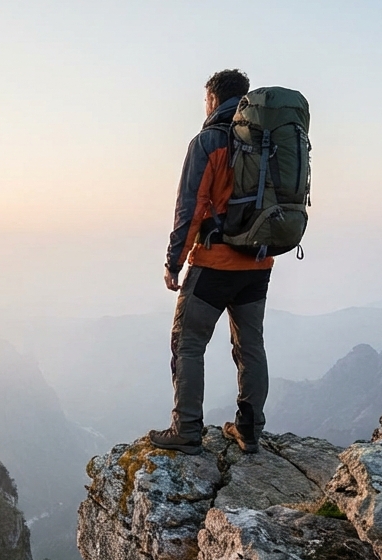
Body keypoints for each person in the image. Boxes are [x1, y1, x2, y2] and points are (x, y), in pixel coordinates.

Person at [150, 69, 270, 456]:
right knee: (250, 345)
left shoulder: (209, 141)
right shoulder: (269, 143)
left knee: (187, 342)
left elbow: (190, 207)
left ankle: (186, 429)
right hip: (259, 262)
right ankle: (249, 432)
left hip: (215, 262)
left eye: (205, 101)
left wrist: (174, 261)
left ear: (214, 100)